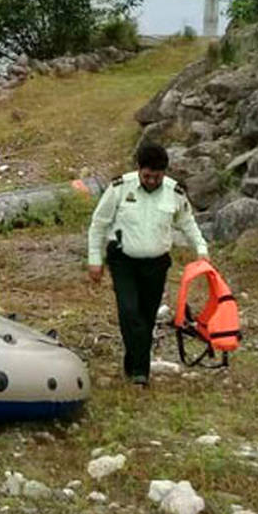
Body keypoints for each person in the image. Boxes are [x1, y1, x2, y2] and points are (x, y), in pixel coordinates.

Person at [86, 143, 209, 388]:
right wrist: (94, 259)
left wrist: (201, 250)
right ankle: (141, 373)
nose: (151, 181)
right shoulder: (120, 188)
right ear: (139, 169)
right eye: (147, 176)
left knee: (147, 316)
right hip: (123, 260)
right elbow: (99, 224)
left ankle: (133, 364)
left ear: (164, 172)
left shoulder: (174, 192)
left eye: (157, 176)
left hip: (156, 264)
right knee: (129, 311)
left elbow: (188, 223)